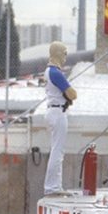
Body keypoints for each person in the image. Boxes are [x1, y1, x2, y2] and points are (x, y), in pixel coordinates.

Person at [43, 41, 77, 196]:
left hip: (53, 111)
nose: (65, 57)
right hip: (58, 113)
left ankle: (55, 186)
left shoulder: (48, 71)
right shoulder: (56, 72)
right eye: (64, 53)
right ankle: (53, 187)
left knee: (56, 150)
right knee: (58, 151)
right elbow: (72, 94)